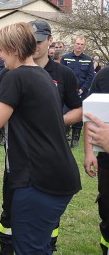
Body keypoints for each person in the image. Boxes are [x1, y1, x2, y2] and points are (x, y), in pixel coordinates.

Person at [0, 22, 81, 254]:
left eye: (0, 49)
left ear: (13, 48)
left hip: (39, 180)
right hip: (57, 174)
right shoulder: (41, 75)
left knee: (29, 248)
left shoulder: (16, 76)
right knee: (38, 246)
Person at [83, 66, 109, 254]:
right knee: (107, 207)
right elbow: (90, 115)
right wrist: (89, 152)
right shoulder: (104, 76)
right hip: (106, 160)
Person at [61, 35, 96, 147]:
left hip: (82, 92)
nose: (79, 46)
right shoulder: (65, 58)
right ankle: (66, 135)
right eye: (77, 44)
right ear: (74, 44)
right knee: (66, 113)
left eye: (81, 44)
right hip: (68, 92)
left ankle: (76, 138)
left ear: (84, 46)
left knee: (81, 114)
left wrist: (82, 89)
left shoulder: (88, 60)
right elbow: (62, 75)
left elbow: (91, 76)